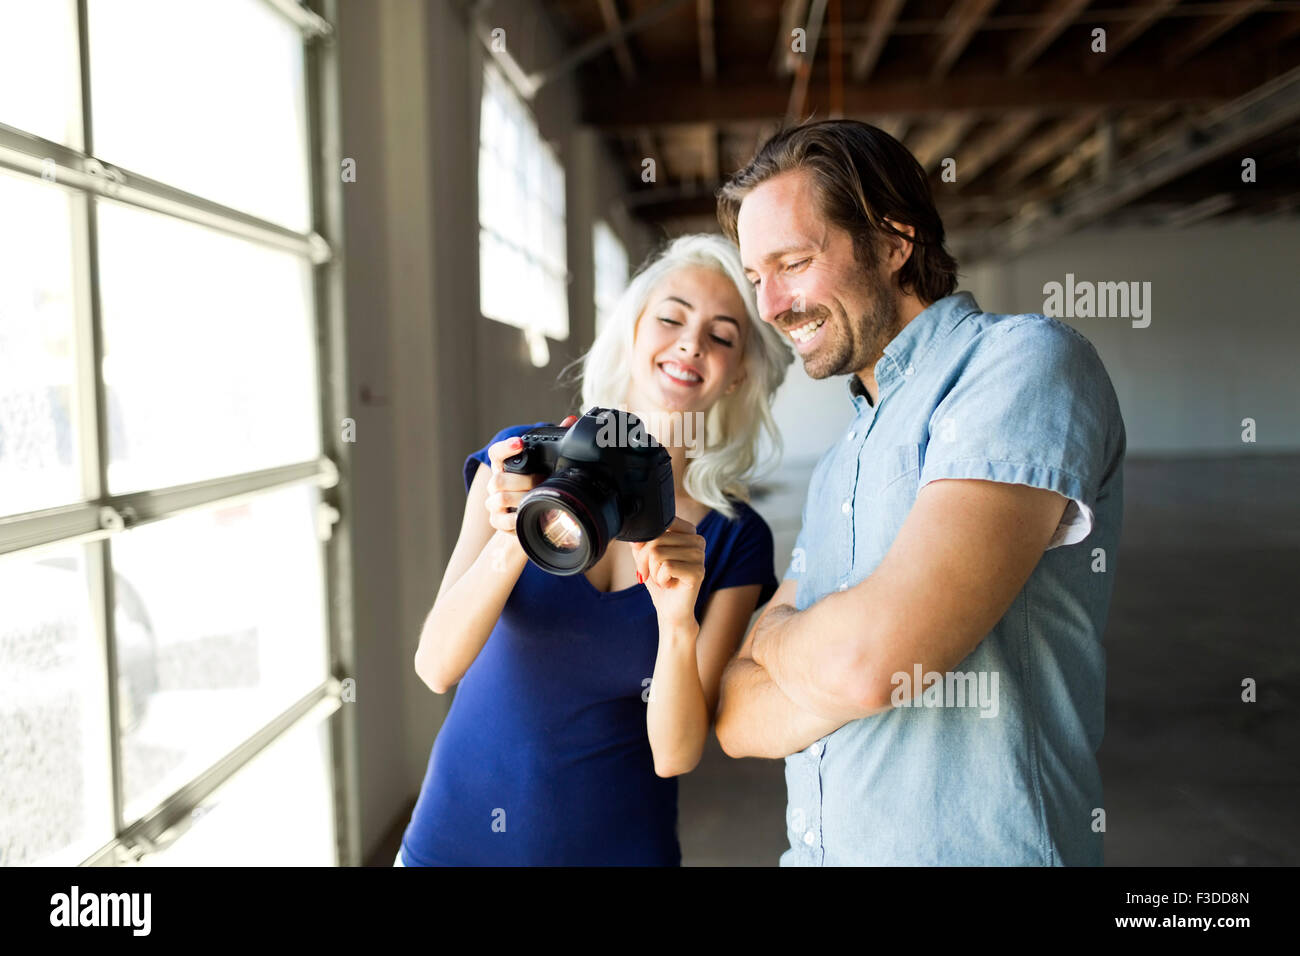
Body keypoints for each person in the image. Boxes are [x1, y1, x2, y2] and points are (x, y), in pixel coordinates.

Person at [713, 119, 1126, 866]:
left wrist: (775, 641)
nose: (770, 306)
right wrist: (821, 655)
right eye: (754, 279)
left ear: (895, 241)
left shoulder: (1020, 365)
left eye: (795, 262)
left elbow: (868, 664)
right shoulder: (844, 458)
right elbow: (738, 718)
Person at [396, 233, 794, 865]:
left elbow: (676, 754)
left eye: (722, 335)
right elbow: (436, 666)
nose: (691, 342)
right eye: (672, 317)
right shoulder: (520, 459)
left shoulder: (732, 536)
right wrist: (515, 537)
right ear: (634, 330)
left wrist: (675, 622)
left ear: (738, 373)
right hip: (453, 846)